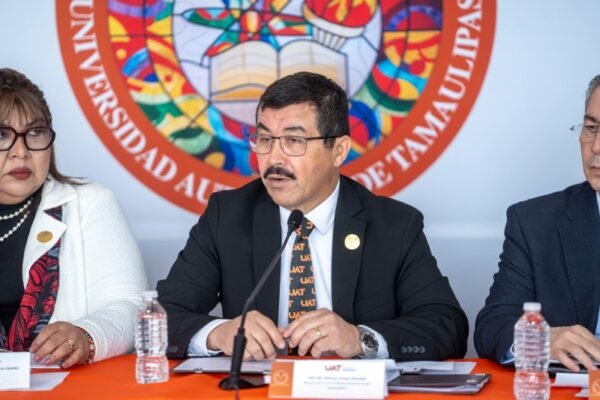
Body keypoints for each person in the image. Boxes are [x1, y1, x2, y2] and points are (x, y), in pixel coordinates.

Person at [157, 71, 468, 361]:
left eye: (294, 141)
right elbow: (161, 316)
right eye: (264, 140)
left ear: (339, 150)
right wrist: (219, 333)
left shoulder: (393, 225)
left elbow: (446, 326)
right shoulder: (227, 215)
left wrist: (360, 339)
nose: (274, 158)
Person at [0, 68, 147, 368]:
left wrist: (86, 335)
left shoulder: (90, 202)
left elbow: (132, 307)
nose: (21, 151)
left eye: (35, 133)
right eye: (2, 135)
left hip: (61, 383)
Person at [475, 74, 600, 372]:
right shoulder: (535, 222)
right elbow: (493, 325)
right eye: (591, 128)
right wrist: (539, 340)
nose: (596, 146)